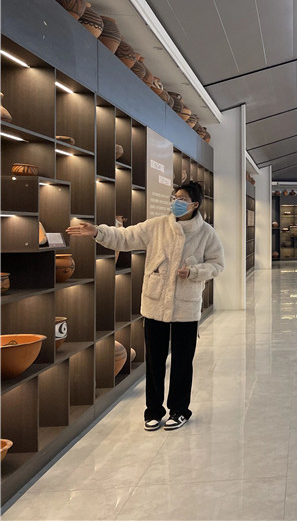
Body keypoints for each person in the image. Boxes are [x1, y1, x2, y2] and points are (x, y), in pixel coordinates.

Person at [66, 181, 224, 431]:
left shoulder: (206, 233)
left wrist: (195, 271)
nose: (176, 202)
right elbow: (125, 237)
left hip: (186, 307)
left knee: (182, 362)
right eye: (174, 197)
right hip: (155, 304)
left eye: (182, 199)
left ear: (195, 204)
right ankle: (153, 411)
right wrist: (97, 232)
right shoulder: (157, 226)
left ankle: (179, 411)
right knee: (154, 360)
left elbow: (217, 265)